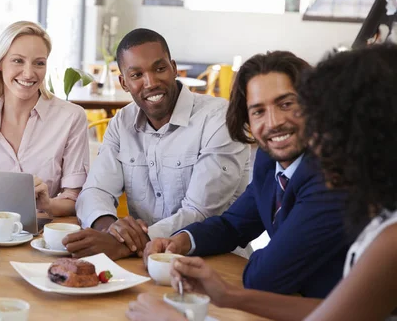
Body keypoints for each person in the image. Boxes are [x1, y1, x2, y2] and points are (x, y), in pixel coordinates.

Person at [127, 44, 397, 321]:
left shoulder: (382, 229)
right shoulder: (274, 163)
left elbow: (272, 277)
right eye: (257, 111)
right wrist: (227, 294)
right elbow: (341, 313)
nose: (317, 136)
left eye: (327, 120)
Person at [144, 51, 350, 297]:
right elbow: (234, 224)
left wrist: (271, 258)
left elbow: (266, 278)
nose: (273, 122)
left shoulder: (331, 174)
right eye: (258, 111)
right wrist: (181, 241)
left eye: (286, 104)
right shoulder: (269, 159)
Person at [66, 28, 250, 260]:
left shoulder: (219, 118)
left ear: (173, 68)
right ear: (123, 82)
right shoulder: (122, 123)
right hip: (139, 260)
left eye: (159, 69)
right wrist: (110, 230)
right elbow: (96, 190)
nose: (151, 82)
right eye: (136, 75)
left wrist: (122, 244)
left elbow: (202, 212)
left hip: (214, 259)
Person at [0, 21, 89, 217]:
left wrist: (47, 204)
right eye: (18, 61)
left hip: (46, 236)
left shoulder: (71, 117)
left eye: (39, 63)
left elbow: (76, 198)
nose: (29, 73)